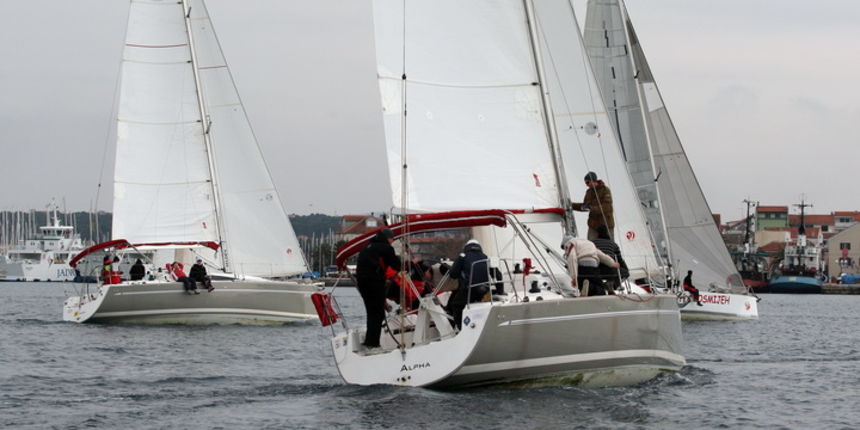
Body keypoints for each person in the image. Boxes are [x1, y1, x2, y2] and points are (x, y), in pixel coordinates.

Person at [356, 228, 401, 349]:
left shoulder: (367, 246)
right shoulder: (386, 248)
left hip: (362, 283)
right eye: (392, 239)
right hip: (374, 283)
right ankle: (373, 343)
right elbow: (397, 265)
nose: (392, 242)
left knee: (371, 311)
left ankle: (369, 341)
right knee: (378, 313)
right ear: (388, 239)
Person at [448, 239, 490, 329]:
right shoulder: (486, 257)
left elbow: (453, 274)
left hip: (470, 290)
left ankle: (461, 329)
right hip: (485, 290)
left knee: (456, 305)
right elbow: (497, 274)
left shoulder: (463, 256)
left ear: (466, 247)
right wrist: (500, 290)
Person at [571, 171, 614, 240]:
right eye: (585, 183)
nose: (587, 185)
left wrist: (592, 208)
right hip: (593, 225)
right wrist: (571, 205)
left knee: (609, 245)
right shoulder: (589, 192)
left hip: (606, 224)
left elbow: (607, 207)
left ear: (593, 180)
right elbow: (585, 206)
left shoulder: (605, 190)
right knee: (591, 245)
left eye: (587, 182)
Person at [591, 225, 629, 292]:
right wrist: (626, 270)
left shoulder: (592, 243)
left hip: (596, 270)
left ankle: (599, 287)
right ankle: (612, 286)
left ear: (597, 233)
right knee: (625, 273)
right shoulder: (613, 244)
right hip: (610, 270)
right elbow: (619, 259)